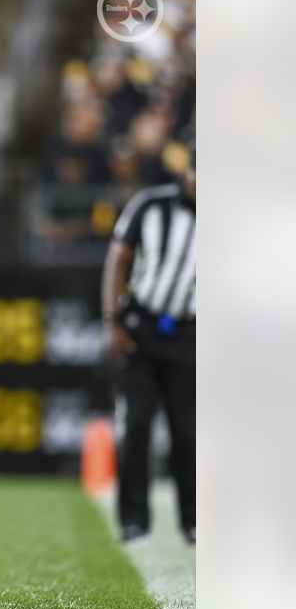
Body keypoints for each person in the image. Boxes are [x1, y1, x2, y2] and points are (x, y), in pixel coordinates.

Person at [102, 159, 196, 545]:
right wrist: (112, 320)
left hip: (192, 331)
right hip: (142, 326)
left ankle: (195, 521)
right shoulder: (151, 204)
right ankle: (134, 520)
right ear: (187, 172)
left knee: (188, 430)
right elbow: (118, 260)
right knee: (136, 422)